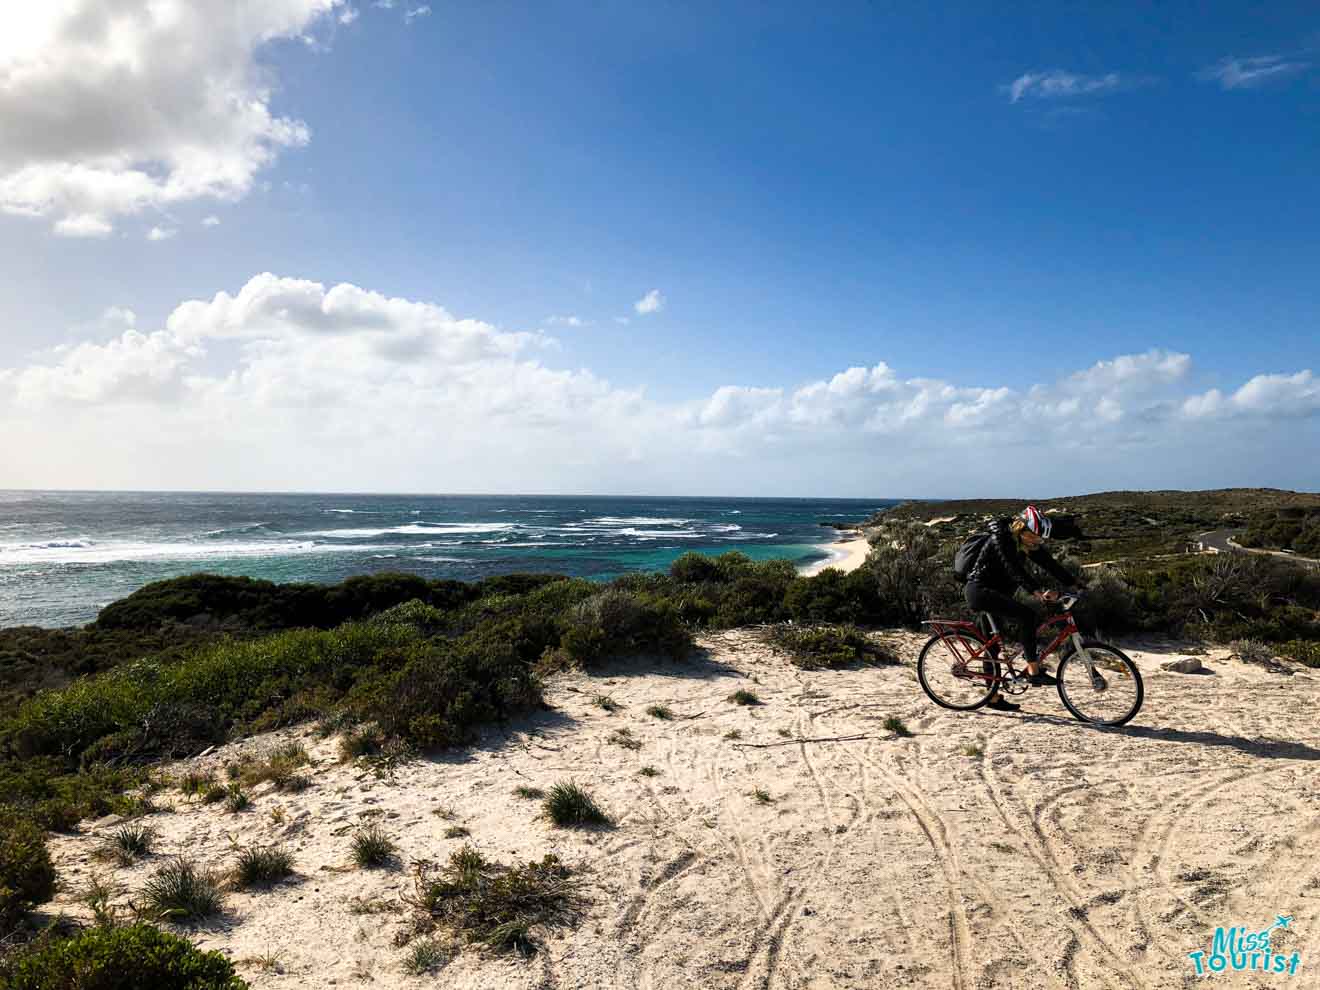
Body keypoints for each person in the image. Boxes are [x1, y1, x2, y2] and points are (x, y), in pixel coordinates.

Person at [963, 505, 1079, 712]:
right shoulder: (1002, 540)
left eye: (1040, 539)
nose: (1037, 541)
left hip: (997, 593)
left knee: (992, 647)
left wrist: (1075, 585)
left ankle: (993, 698)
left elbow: (1050, 564)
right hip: (979, 591)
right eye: (1034, 536)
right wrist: (1036, 591)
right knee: (1027, 615)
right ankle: (1034, 672)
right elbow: (1013, 569)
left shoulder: (1026, 543)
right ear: (1020, 529)